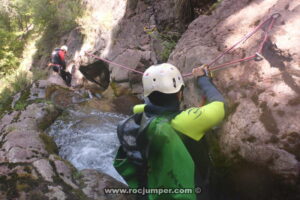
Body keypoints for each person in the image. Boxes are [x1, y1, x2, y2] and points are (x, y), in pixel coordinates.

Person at [114, 63, 226, 200]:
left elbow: (144, 108)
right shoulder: (183, 122)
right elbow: (221, 106)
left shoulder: (138, 118)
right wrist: (203, 79)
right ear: (179, 94)